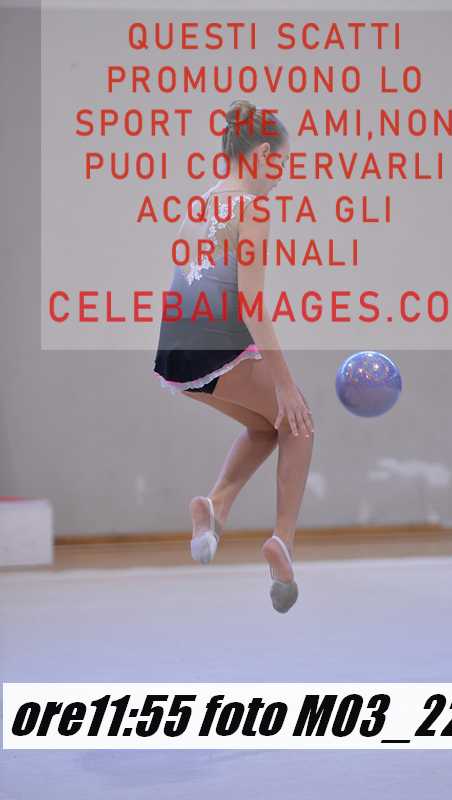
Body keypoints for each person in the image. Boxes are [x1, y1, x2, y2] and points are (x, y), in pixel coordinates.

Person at [154, 99, 314, 613]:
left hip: (176, 350)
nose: (282, 175)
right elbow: (252, 303)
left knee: (266, 427)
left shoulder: (201, 201)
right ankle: (283, 542)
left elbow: (184, 275)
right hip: (215, 344)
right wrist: (285, 383)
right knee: (299, 422)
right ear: (263, 154)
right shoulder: (252, 207)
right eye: (282, 161)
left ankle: (215, 508)